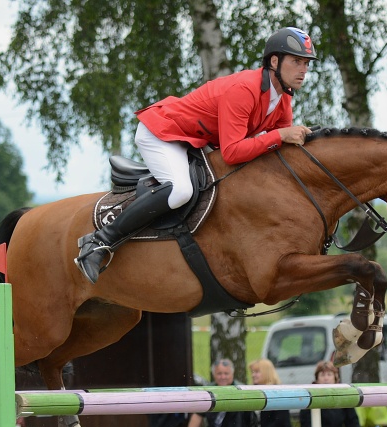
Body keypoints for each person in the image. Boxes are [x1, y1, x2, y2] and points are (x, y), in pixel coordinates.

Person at [75, 27, 316, 283]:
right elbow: (233, 152)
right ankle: (98, 242)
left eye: (306, 63)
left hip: (194, 141)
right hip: (163, 133)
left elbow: (278, 151)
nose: (303, 70)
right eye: (296, 61)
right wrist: (280, 136)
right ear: (275, 61)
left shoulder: (282, 98)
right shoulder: (244, 89)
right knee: (181, 191)